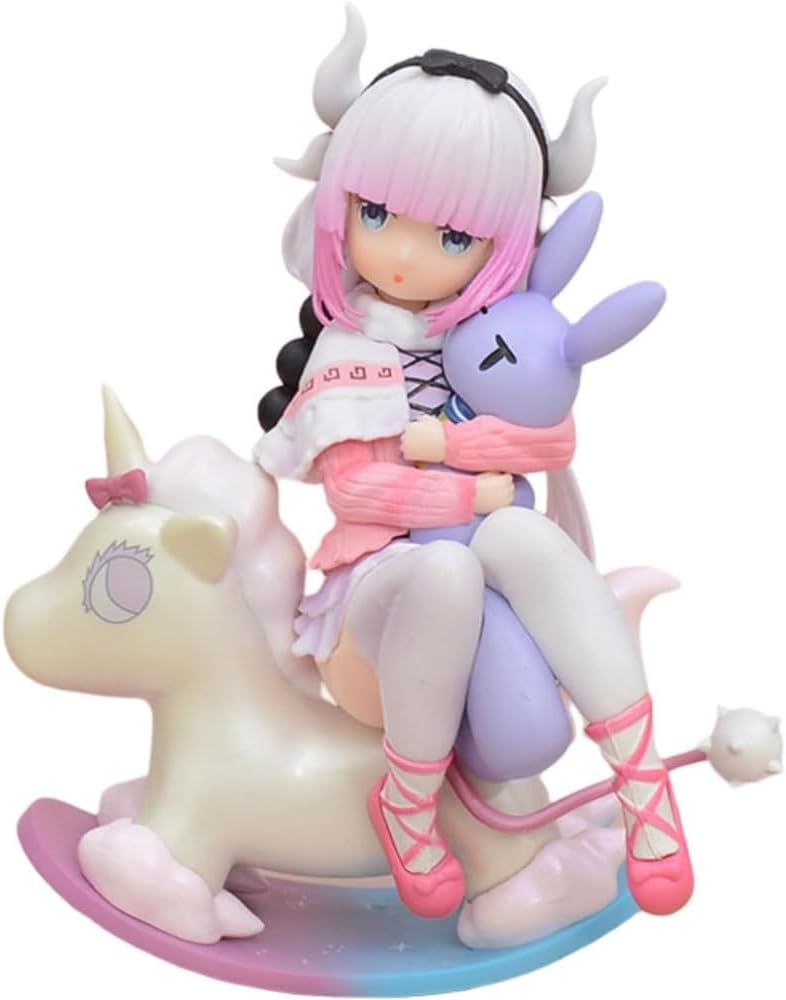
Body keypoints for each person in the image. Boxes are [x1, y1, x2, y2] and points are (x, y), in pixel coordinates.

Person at [255, 5, 692, 920]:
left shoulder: (485, 336)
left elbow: (553, 440)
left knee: (526, 539)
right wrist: (464, 493)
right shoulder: (348, 355)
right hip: (374, 606)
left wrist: (458, 452)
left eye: (453, 237)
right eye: (377, 214)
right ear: (339, 205)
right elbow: (356, 489)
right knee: (450, 564)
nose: (405, 254)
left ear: (503, 246)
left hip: (485, 583)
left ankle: (643, 781)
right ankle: (407, 804)